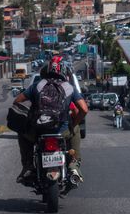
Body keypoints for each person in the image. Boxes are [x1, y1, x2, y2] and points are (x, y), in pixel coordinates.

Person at [12, 56, 88, 184]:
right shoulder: (69, 88)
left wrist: (29, 115)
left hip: (38, 131)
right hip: (61, 131)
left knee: (22, 133)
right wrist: (72, 124)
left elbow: (17, 102)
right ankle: (74, 165)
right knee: (75, 129)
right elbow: (84, 109)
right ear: (64, 73)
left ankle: (28, 166)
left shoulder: (37, 86)